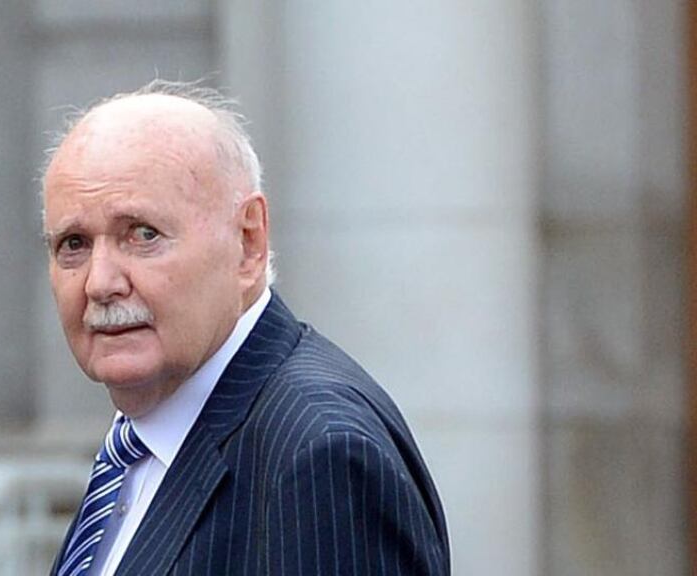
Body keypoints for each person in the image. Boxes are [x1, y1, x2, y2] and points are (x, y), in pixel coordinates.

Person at [42, 80, 450, 576]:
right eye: (74, 244)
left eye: (143, 235)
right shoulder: (142, 443)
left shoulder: (318, 455)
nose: (101, 283)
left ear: (248, 242)